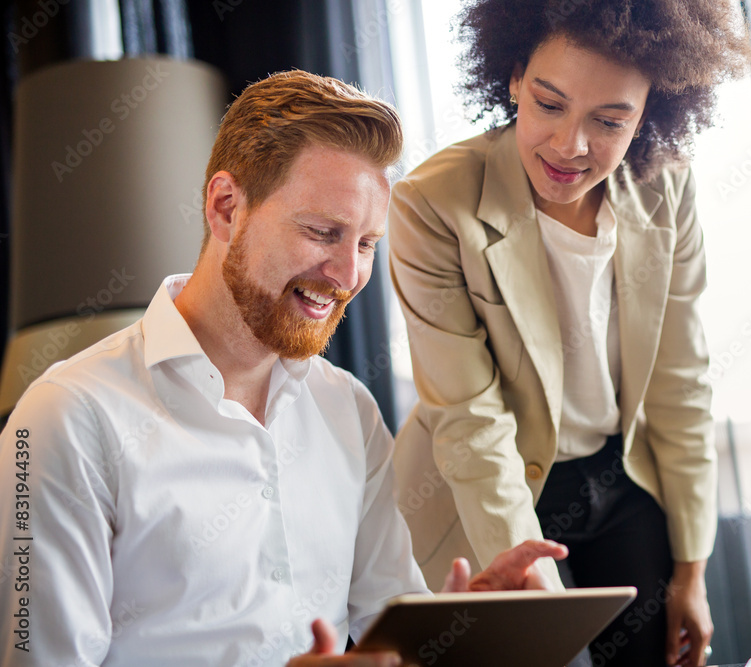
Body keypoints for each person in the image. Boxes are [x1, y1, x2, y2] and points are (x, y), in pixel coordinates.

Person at [0, 69, 567, 667]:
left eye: (368, 243)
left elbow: (390, 630)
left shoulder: (347, 408)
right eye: (324, 232)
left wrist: (459, 631)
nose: (349, 276)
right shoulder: (64, 419)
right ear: (226, 208)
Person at [388, 2, 751, 665]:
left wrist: (692, 575)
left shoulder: (667, 189)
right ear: (514, 77)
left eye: (609, 121)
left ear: (651, 116)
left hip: (620, 475)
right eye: (549, 104)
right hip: (495, 487)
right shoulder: (431, 203)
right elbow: (471, 419)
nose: (569, 146)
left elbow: (680, 384)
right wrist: (540, 602)